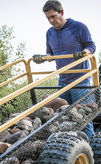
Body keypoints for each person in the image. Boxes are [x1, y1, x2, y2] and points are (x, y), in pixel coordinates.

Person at [33, 0, 96, 138]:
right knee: (63, 118)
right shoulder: (49, 33)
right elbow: (51, 55)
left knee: (83, 119)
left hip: (81, 81)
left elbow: (91, 46)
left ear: (61, 12)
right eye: (48, 18)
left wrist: (84, 52)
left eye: (53, 16)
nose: (50, 20)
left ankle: (90, 151)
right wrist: (42, 58)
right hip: (63, 81)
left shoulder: (79, 27)